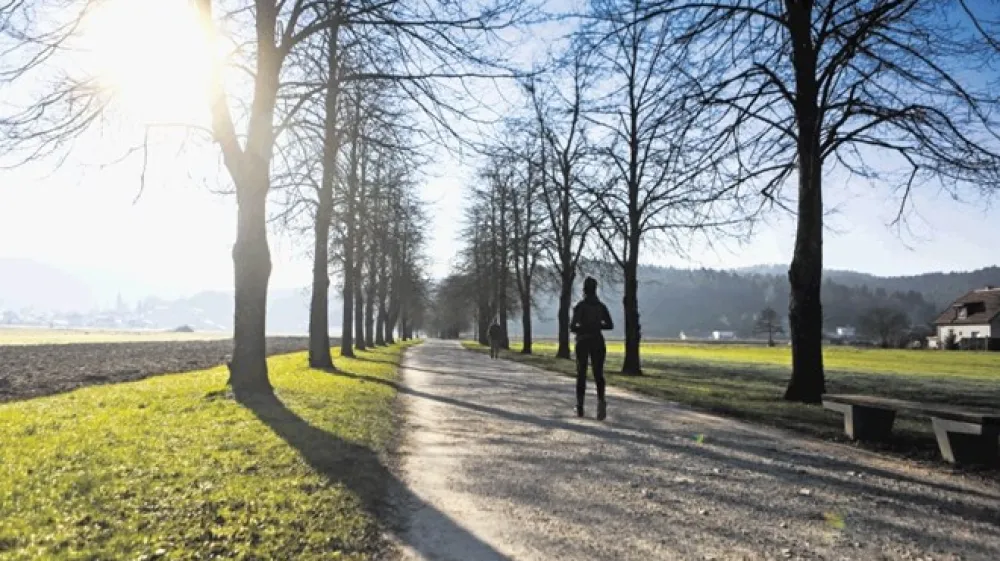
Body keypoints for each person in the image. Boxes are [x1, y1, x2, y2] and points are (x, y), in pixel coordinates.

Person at [570, 277, 614, 420]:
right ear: (595, 289)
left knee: (581, 373)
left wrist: (583, 327)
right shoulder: (601, 306)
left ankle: (580, 406)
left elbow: (572, 326)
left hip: (583, 341)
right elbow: (610, 325)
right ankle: (601, 403)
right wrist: (597, 326)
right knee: (598, 374)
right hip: (597, 340)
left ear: (584, 289)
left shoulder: (580, 306)